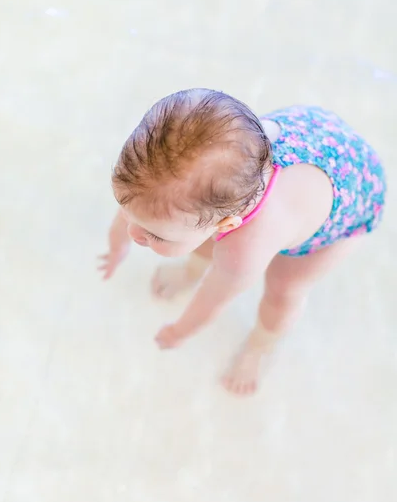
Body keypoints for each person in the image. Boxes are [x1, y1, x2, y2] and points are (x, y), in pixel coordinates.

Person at [98, 89, 386, 395]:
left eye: (156, 235)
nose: (134, 233)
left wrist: (180, 331)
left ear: (228, 225)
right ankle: (190, 267)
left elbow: (214, 299)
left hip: (352, 199)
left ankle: (259, 348)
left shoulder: (246, 247)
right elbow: (138, 203)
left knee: (284, 289)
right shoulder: (161, 180)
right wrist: (118, 244)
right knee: (196, 221)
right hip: (312, 132)